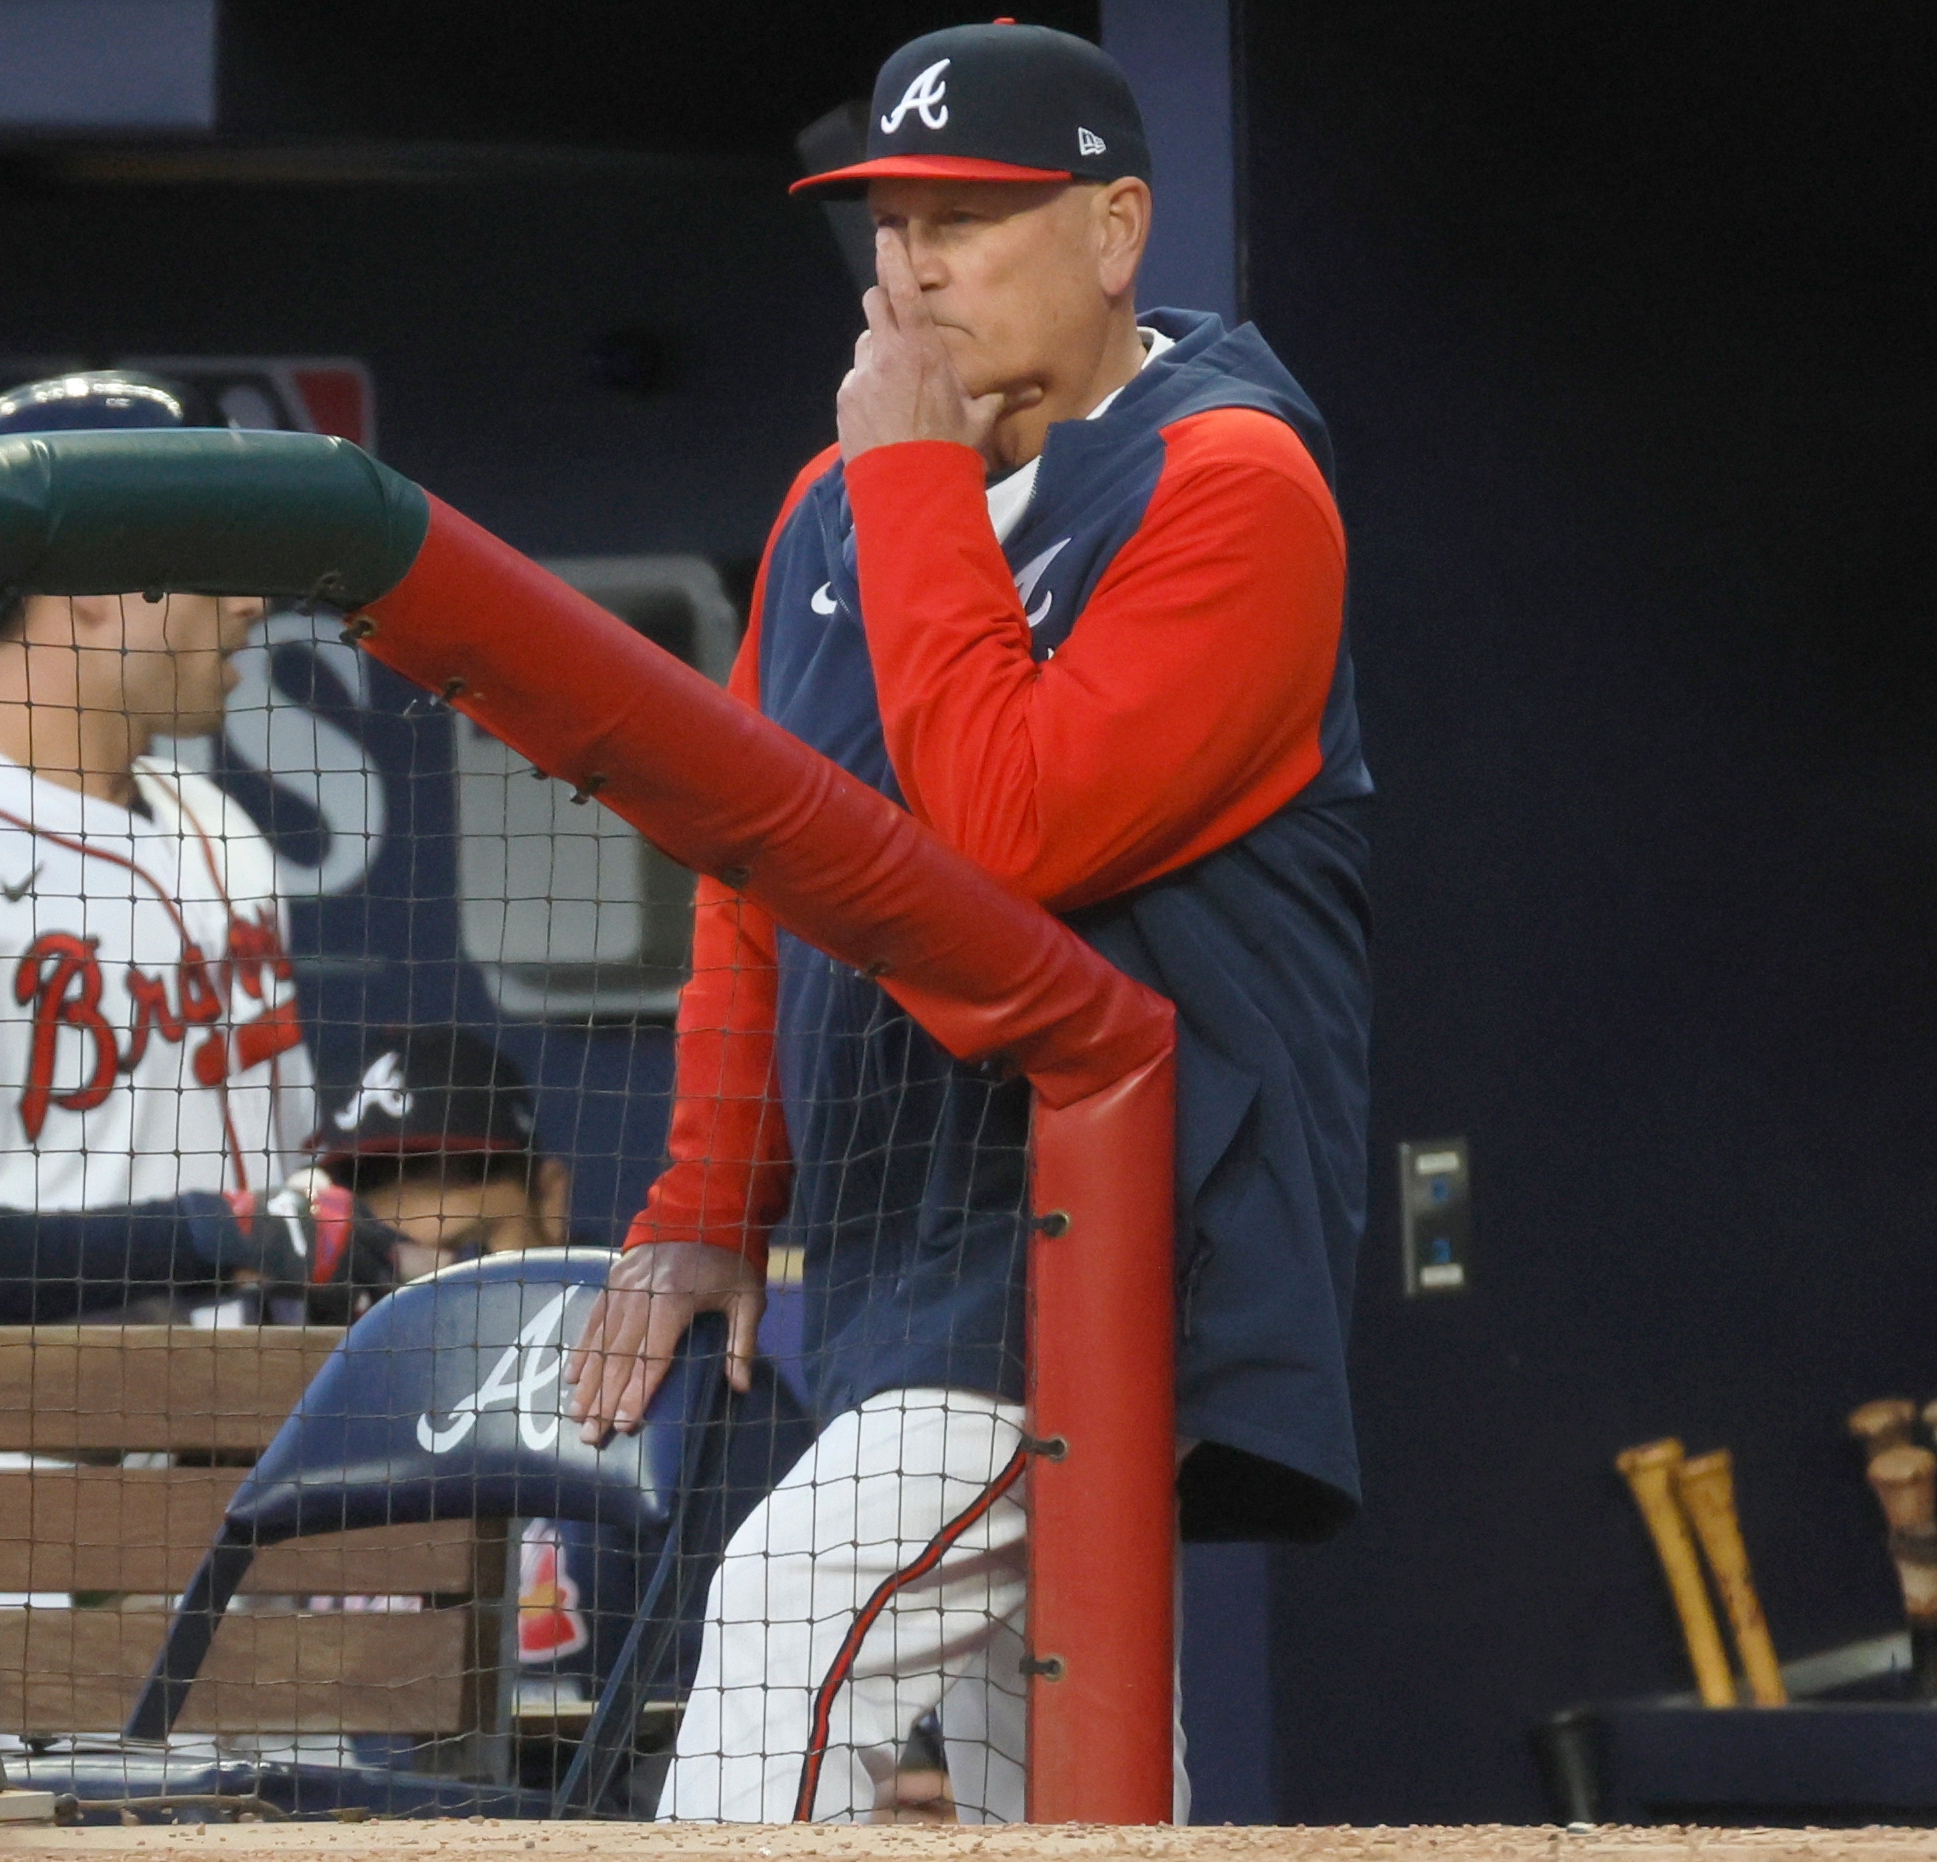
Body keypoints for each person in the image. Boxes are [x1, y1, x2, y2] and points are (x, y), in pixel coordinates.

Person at [561, 22, 1373, 1824]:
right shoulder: (827, 500)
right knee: (1051, 1774)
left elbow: (1004, 832)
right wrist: (709, 1203)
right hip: (891, 1228)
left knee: (787, 1625)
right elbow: (758, 866)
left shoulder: (1232, 485)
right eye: (895, 219)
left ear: (1115, 232)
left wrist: (910, 484)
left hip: (1112, 1234)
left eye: (978, 218)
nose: (917, 265)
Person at [0, 372, 381, 1323]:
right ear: (90, 586)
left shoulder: (224, 830)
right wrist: (203, 1235)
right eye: (207, 561)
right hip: (31, 1447)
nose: (249, 603)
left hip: (243, 1433)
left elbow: (288, 1185)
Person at [317, 1023, 575, 1279]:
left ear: (549, 1201)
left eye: (469, 1256)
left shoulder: (611, 1306)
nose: (430, 1286)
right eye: (391, 1269)